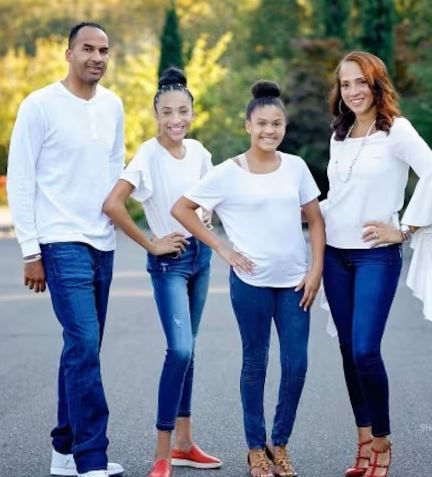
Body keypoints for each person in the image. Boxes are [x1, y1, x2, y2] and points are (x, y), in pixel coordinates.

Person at [320, 50, 432, 477]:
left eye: (360, 82)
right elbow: (340, 195)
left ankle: (383, 439)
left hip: (376, 258)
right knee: (348, 351)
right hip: (335, 253)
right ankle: (362, 442)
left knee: (366, 349)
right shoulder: (340, 134)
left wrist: (403, 229)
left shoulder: (396, 131)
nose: (352, 92)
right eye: (345, 84)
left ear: (376, 83)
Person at [172, 81, 325, 477]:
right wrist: (221, 248)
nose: (269, 131)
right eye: (261, 124)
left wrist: (315, 271)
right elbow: (183, 208)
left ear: (284, 127)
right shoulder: (227, 173)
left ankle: (280, 444)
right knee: (255, 365)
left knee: (297, 365)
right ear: (247, 126)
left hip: (295, 284)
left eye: (276, 124)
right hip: (250, 285)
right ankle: (256, 449)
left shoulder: (296, 167)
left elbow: (315, 219)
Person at [7, 22, 126, 477]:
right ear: (69, 53)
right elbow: (20, 179)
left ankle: (63, 451)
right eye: (88, 49)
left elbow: (116, 167)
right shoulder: (39, 106)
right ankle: (90, 457)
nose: (97, 57)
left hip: (103, 242)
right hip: (60, 241)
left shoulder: (113, 105)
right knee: (84, 342)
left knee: (80, 350)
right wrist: (30, 250)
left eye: (104, 51)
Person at [103, 67, 222, 477]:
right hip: (169, 262)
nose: (176, 120)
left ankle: (187, 445)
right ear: (156, 114)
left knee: (192, 349)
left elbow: (214, 201)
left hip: (200, 259)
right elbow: (114, 204)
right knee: (181, 350)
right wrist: (152, 243)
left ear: (192, 112)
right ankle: (162, 450)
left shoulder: (201, 152)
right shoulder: (148, 156)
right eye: (167, 112)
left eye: (183, 111)